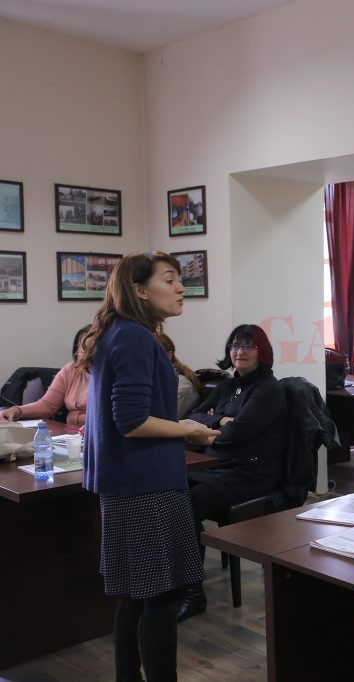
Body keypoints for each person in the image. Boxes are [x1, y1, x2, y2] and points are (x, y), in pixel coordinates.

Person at [78, 252, 219, 681]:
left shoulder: (117, 333)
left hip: (128, 481)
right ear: (140, 290)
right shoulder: (135, 338)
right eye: (171, 280)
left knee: (136, 595)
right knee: (160, 596)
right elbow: (133, 421)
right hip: (146, 484)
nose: (181, 289)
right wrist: (188, 429)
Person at [179, 324, 287, 621]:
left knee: (185, 504)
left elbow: (235, 436)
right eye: (235, 345)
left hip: (249, 473)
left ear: (262, 351)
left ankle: (192, 592)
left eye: (248, 346)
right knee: (167, 491)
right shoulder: (229, 384)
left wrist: (216, 425)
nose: (240, 351)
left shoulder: (268, 389)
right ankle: (175, 578)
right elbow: (190, 419)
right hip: (217, 466)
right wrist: (220, 421)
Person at [0, 325, 90, 427]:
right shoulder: (70, 370)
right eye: (85, 349)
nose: (90, 355)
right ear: (77, 351)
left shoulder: (109, 375)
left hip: (98, 435)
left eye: (95, 349)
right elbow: (47, 405)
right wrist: (16, 411)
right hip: (71, 434)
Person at [156, 332, 203, 419]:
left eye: (154, 353)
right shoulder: (153, 381)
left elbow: (166, 421)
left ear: (169, 355)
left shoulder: (183, 386)